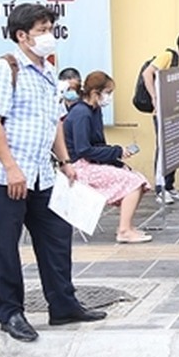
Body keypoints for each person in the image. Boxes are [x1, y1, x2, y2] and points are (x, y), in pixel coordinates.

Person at [0, 4, 105, 342]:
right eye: (41, 29)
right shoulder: (4, 70)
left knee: (56, 237)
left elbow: (54, 123)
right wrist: (11, 168)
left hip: (43, 173)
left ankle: (63, 305)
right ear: (22, 35)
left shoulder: (49, 72)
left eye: (50, 27)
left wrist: (65, 162)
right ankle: (10, 312)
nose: (49, 35)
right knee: (6, 246)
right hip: (11, 175)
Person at [63, 71, 153, 244]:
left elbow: (98, 145)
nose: (109, 98)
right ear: (95, 93)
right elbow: (84, 150)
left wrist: (116, 160)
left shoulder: (94, 110)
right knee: (133, 183)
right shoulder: (81, 114)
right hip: (80, 168)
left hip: (91, 163)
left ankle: (126, 226)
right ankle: (124, 230)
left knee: (139, 179)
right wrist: (116, 152)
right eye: (108, 93)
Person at [142, 29, 179, 203]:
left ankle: (170, 186)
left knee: (175, 148)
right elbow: (148, 74)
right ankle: (160, 188)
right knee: (163, 147)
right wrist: (155, 98)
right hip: (162, 112)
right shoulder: (168, 56)